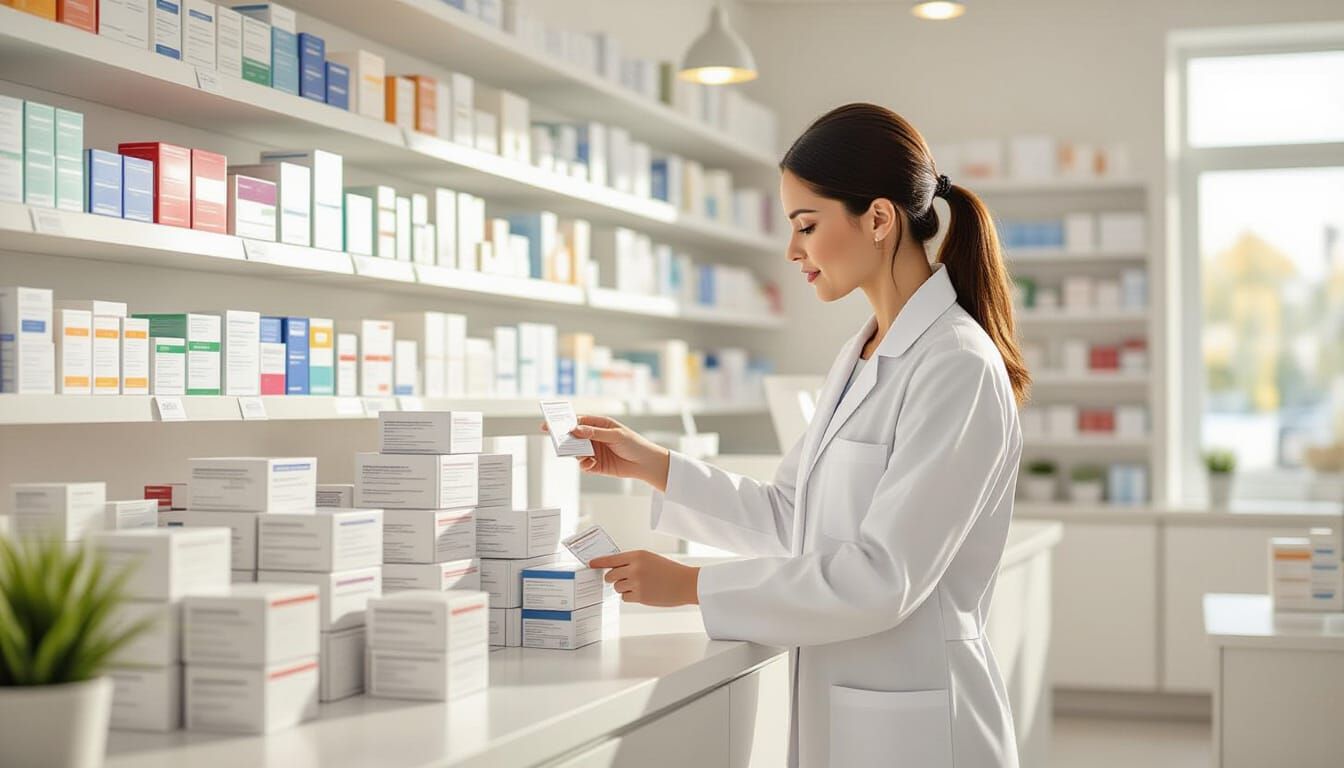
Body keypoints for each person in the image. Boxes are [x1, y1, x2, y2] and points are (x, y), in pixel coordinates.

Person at [545, 103, 1030, 768]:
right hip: (853, 712)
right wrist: (654, 466)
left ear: (880, 219)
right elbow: (791, 516)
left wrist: (691, 587)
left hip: (922, 731)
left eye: (807, 224)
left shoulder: (956, 366)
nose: (793, 249)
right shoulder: (861, 352)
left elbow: (883, 577)